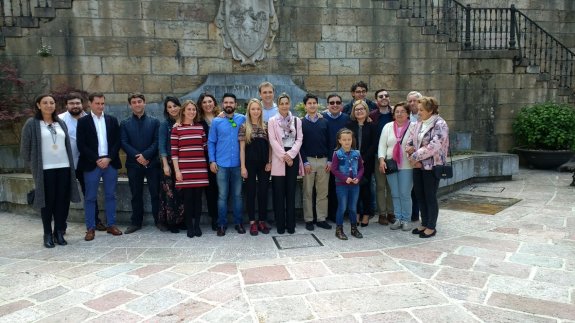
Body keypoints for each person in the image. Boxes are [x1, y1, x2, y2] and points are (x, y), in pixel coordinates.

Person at [20, 94, 81, 248]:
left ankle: (59, 232)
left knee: (62, 202)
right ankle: (47, 233)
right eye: (45, 103)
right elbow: (25, 150)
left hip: (64, 168)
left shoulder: (60, 123)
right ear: (38, 105)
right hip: (45, 170)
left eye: (52, 102)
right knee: (47, 203)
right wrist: (35, 166)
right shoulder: (32, 124)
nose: (49, 105)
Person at [77, 92, 123, 241]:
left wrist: (108, 158)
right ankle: (90, 228)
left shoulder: (112, 120)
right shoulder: (83, 122)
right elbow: (81, 145)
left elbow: (117, 141)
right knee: (90, 197)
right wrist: (97, 159)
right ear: (90, 104)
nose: (100, 106)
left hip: (110, 163)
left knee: (110, 195)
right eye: (97, 103)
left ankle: (111, 225)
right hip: (92, 164)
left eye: (102, 103)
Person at [58, 93, 104, 233]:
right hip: (67, 164)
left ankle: (95, 221)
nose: (75, 106)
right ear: (66, 105)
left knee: (89, 193)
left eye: (77, 103)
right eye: (71, 103)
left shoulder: (90, 118)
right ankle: (61, 226)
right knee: (63, 195)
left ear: (83, 104)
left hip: (86, 163)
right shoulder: (59, 119)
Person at [406, 97, 449, 238]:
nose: (418, 113)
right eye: (418, 110)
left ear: (431, 110)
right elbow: (409, 142)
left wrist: (415, 158)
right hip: (417, 166)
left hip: (432, 167)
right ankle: (424, 223)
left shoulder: (440, 124)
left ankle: (431, 226)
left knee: (430, 196)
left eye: (421, 110)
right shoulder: (419, 123)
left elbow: (433, 146)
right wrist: (412, 157)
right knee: (419, 195)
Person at [120, 92, 162, 234]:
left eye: (139, 101)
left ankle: (159, 220)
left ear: (144, 103)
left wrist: (146, 155)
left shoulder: (155, 122)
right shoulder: (125, 123)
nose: (137, 104)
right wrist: (138, 156)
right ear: (130, 105)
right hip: (133, 164)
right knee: (135, 193)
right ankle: (136, 222)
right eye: (134, 102)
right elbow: (124, 142)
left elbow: (157, 141)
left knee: (156, 193)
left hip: (152, 163)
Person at [208, 93, 246, 236]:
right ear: (222, 104)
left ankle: (238, 222)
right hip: (221, 165)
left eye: (231, 102)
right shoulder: (216, 122)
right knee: (222, 196)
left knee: (237, 195)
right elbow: (211, 142)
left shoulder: (242, 119)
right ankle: (221, 224)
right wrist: (212, 160)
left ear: (235, 105)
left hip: (237, 164)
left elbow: (257, 118)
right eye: (226, 102)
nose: (229, 104)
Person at [171, 100, 209, 238]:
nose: (192, 112)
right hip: (185, 170)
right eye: (189, 109)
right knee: (187, 200)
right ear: (183, 111)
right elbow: (174, 153)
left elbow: (205, 147)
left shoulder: (200, 128)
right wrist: (177, 171)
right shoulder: (177, 129)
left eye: (194, 110)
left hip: (199, 169)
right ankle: (189, 227)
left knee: (198, 199)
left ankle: (197, 225)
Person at [268, 93, 304, 234]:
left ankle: (291, 225)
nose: (284, 106)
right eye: (281, 103)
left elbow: (299, 139)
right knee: (278, 193)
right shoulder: (272, 121)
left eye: (286, 103)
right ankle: (280, 225)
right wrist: (284, 156)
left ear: (289, 104)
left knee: (290, 192)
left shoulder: (296, 121)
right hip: (279, 158)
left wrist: (290, 155)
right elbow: (272, 140)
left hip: (292, 158)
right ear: (278, 105)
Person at [378, 102, 415, 231]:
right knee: (394, 193)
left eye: (402, 111)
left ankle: (406, 219)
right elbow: (382, 145)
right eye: (397, 112)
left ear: (408, 114)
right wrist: (381, 160)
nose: (399, 114)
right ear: (393, 114)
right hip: (391, 164)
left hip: (407, 165)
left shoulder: (413, 127)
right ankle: (398, 218)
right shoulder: (388, 127)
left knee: (405, 193)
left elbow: (418, 144)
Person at [239, 98, 272, 236]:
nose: (256, 111)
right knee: (251, 193)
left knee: (263, 192)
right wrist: (243, 167)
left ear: (261, 110)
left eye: (258, 109)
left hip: (264, 164)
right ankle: (252, 222)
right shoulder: (244, 126)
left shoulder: (266, 126)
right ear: (249, 110)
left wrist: (269, 162)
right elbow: (241, 149)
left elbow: (270, 147)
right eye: (253, 109)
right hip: (250, 164)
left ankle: (262, 220)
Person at [300, 93, 332, 231]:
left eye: (314, 103)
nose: (312, 105)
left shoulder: (324, 121)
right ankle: (308, 219)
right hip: (309, 161)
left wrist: (330, 160)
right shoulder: (301, 122)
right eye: (309, 103)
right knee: (307, 191)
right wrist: (305, 162)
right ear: (305, 106)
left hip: (323, 160)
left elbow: (331, 143)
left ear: (317, 105)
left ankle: (321, 218)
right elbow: (299, 143)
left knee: (322, 192)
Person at [347, 100, 378, 227]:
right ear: (353, 111)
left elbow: (374, 145)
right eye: (357, 109)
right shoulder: (349, 125)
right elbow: (345, 142)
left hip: (366, 162)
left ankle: (366, 214)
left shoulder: (372, 126)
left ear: (366, 111)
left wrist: (363, 158)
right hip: (351, 162)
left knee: (366, 189)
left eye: (362, 109)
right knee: (354, 189)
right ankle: (357, 213)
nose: (359, 111)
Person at [330, 128, 364, 240]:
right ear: (339, 141)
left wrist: (358, 178)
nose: (347, 142)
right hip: (342, 186)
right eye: (344, 140)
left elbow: (361, 168)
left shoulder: (357, 153)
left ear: (352, 140)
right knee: (342, 207)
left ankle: (354, 228)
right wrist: (345, 179)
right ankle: (339, 229)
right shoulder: (337, 154)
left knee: (353, 208)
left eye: (349, 139)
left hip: (355, 186)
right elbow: (334, 170)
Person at [322, 94, 350, 222]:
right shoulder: (322, 118)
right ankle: (330, 214)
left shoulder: (347, 119)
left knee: (343, 187)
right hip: (328, 158)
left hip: (344, 158)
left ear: (341, 105)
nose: (335, 105)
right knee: (330, 188)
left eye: (337, 102)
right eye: (332, 102)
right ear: (327, 105)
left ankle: (343, 213)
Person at [158, 96, 184, 233]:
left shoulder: (186, 121)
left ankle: (181, 220)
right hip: (168, 162)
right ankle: (171, 222)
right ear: (166, 110)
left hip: (183, 162)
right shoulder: (164, 125)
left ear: (180, 106)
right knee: (170, 193)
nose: (173, 109)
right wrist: (165, 165)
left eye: (175, 106)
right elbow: (161, 146)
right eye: (169, 107)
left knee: (182, 192)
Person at [370, 89, 395, 225]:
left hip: (393, 156)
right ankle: (382, 214)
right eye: (381, 96)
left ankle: (391, 212)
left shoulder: (395, 114)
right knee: (380, 186)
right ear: (376, 100)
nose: (384, 98)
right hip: (377, 156)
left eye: (386, 95)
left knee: (391, 186)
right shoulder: (372, 116)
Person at [197, 92, 221, 231]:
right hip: (205, 159)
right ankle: (214, 218)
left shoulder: (221, 117)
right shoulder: (198, 121)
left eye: (210, 101)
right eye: (204, 102)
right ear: (201, 105)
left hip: (222, 157)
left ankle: (222, 215)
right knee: (211, 190)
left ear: (214, 103)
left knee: (222, 190)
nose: (207, 104)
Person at [406, 91, 423, 222]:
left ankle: (417, 214)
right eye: (410, 101)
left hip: (421, 158)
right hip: (406, 158)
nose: (412, 103)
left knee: (418, 188)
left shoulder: (425, 116)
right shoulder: (405, 115)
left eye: (415, 101)